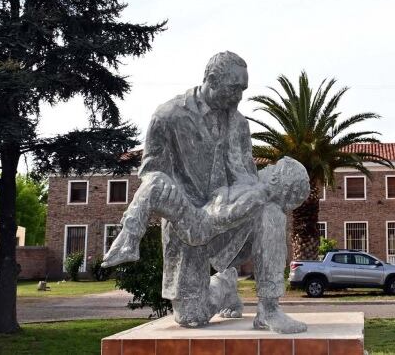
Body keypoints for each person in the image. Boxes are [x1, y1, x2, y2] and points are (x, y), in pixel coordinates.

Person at [103, 51, 308, 333]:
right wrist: (179, 205)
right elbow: (152, 173)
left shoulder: (239, 124)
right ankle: (224, 286)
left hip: (228, 221)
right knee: (191, 317)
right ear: (212, 80)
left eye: (243, 90)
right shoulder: (168, 116)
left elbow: (246, 176)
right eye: (235, 88)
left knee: (270, 210)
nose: (239, 97)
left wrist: (262, 191)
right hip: (187, 221)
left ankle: (269, 309)